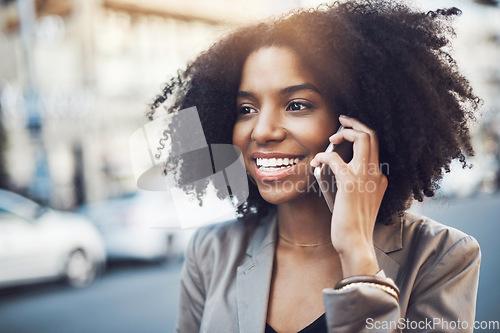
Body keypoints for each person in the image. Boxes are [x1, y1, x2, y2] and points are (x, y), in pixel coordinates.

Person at [147, 1, 481, 332]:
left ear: (357, 119)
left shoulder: (443, 257)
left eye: (296, 105)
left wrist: (357, 252)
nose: (262, 131)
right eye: (246, 109)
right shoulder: (209, 252)